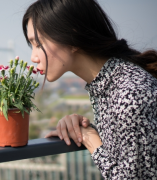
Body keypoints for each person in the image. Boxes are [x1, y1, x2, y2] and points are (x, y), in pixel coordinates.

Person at [22, 0, 157, 179]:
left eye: (38, 44)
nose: (33, 57)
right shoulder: (110, 85)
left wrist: (90, 138)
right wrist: (82, 126)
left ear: (72, 38)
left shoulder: (129, 93)